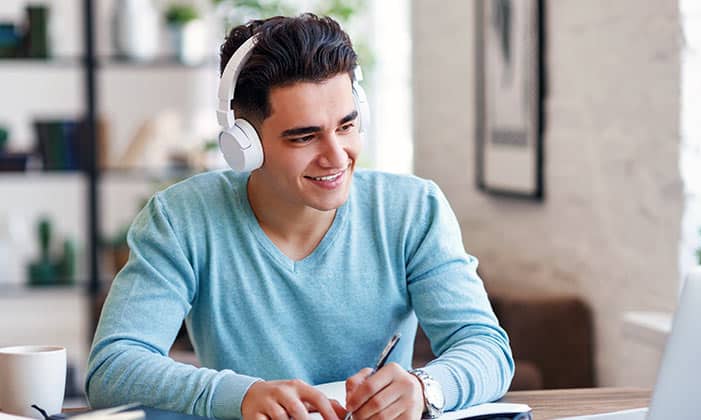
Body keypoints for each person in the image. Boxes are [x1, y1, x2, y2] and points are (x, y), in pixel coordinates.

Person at [85, 13, 514, 420]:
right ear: (244, 144)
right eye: (305, 137)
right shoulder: (182, 219)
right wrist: (241, 396)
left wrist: (425, 388)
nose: (335, 156)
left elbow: (487, 348)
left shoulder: (413, 209)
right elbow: (113, 367)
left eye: (346, 126)